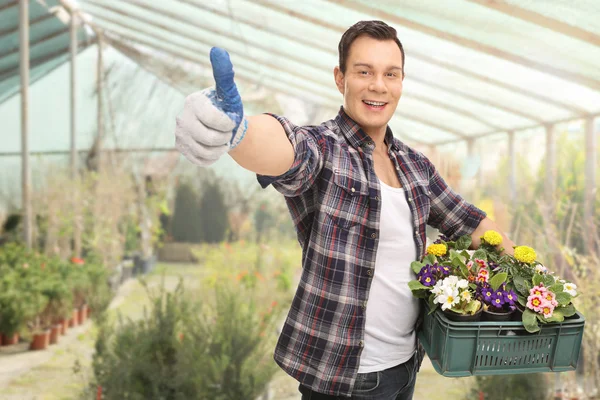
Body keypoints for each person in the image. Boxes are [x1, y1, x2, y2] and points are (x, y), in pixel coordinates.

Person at [175, 20, 516, 400]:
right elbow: (287, 150)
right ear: (340, 79)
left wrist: (526, 277)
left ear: (401, 83)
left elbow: (470, 222)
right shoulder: (327, 149)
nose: (378, 85)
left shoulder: (415, 166)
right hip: (345, 380)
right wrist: (238, 132)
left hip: (404, 367)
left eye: (391, 74)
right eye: (364, 72)